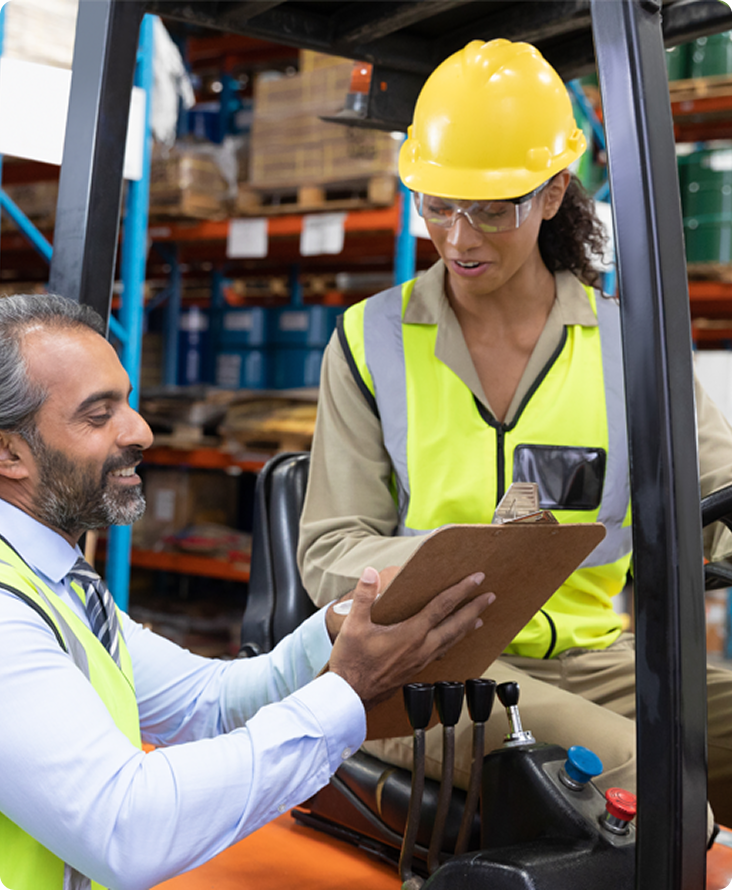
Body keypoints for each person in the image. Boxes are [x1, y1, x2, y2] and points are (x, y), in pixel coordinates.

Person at [298, 38, 732, 830]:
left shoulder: (628, 343)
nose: (458, 238)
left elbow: (718, 497)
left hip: (597, 659)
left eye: (491, 210)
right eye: (436, 205)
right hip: (432, 662)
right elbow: (329, 550)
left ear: (553, 192)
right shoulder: (369, 340)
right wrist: (456, 562)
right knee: (652, 783)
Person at [0, 293, 496, 890]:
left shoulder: (54, 583)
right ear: (9, 452)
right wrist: (349, 688)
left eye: (127, 402)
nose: (142, 431)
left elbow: (208, 702)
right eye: (99, 414)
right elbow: (126, 828)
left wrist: (338, 627)